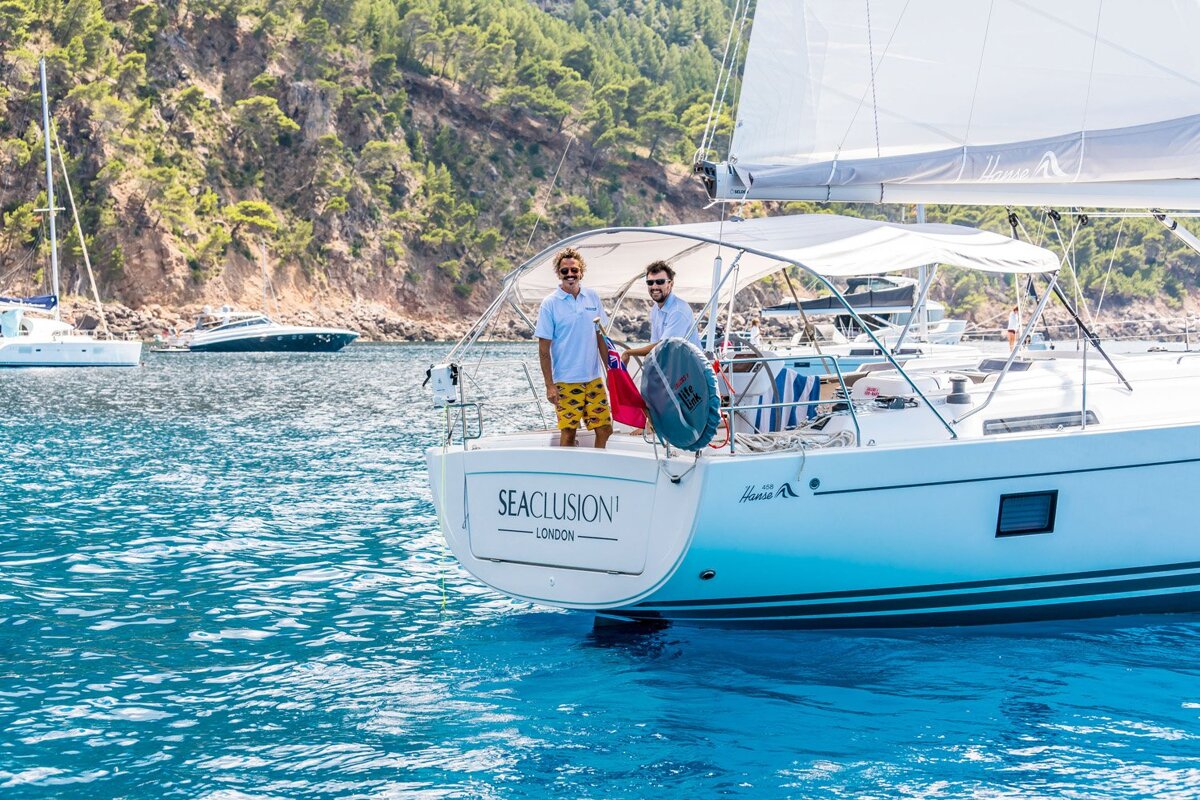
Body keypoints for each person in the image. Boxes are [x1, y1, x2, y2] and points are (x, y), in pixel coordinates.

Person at [535, 247, 612, 448]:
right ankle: (566, 467)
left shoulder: (592, 297)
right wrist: (549, 385)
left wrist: (610, 372)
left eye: (574, 270)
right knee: (569, 432)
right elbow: (543, 350)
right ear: (559, 273)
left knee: (605, 428)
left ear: (581, 272)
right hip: (566, 381)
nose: (570, 274)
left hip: (593, 378)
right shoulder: (550, 303)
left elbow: (601, 338)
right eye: (565, 271)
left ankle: (596, 463)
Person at [620, 260, 701, 366]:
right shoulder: (655, 309)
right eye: (650, 282)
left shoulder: (678, 311)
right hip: (672, 368)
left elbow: (663, 347)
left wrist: (628, 353)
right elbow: (655, 345)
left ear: (670, 284)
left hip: (690, 370)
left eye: (660, 282)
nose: (654, 286)